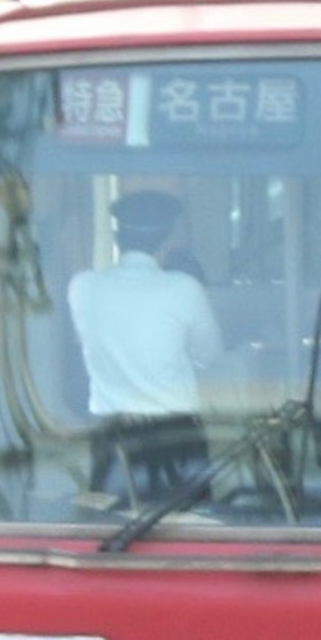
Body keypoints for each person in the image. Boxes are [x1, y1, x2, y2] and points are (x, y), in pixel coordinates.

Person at [69, 190, 227, 495]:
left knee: (112, 526)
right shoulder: (184, 289)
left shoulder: (82, 287)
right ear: (168, 241)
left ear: (117, 238)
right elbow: (211, 356)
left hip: (111, 439)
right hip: (176, 438)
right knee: (192, 530)